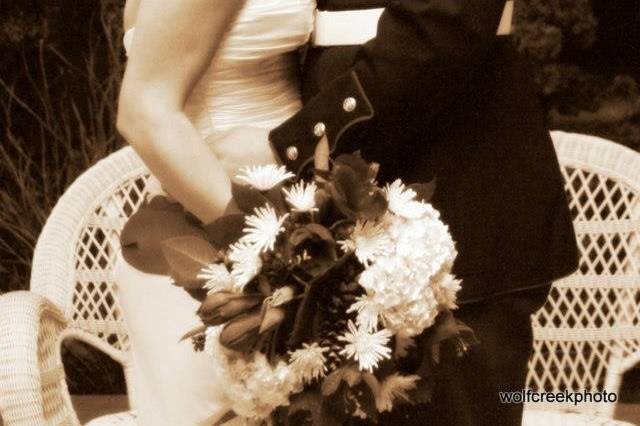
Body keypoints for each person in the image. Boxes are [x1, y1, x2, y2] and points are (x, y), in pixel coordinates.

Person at [116, 1, 578, 426]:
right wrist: (272, 251)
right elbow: (146, 106)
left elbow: (438, 28)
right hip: (290, 234)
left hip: (445, 203)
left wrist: (289, 150)